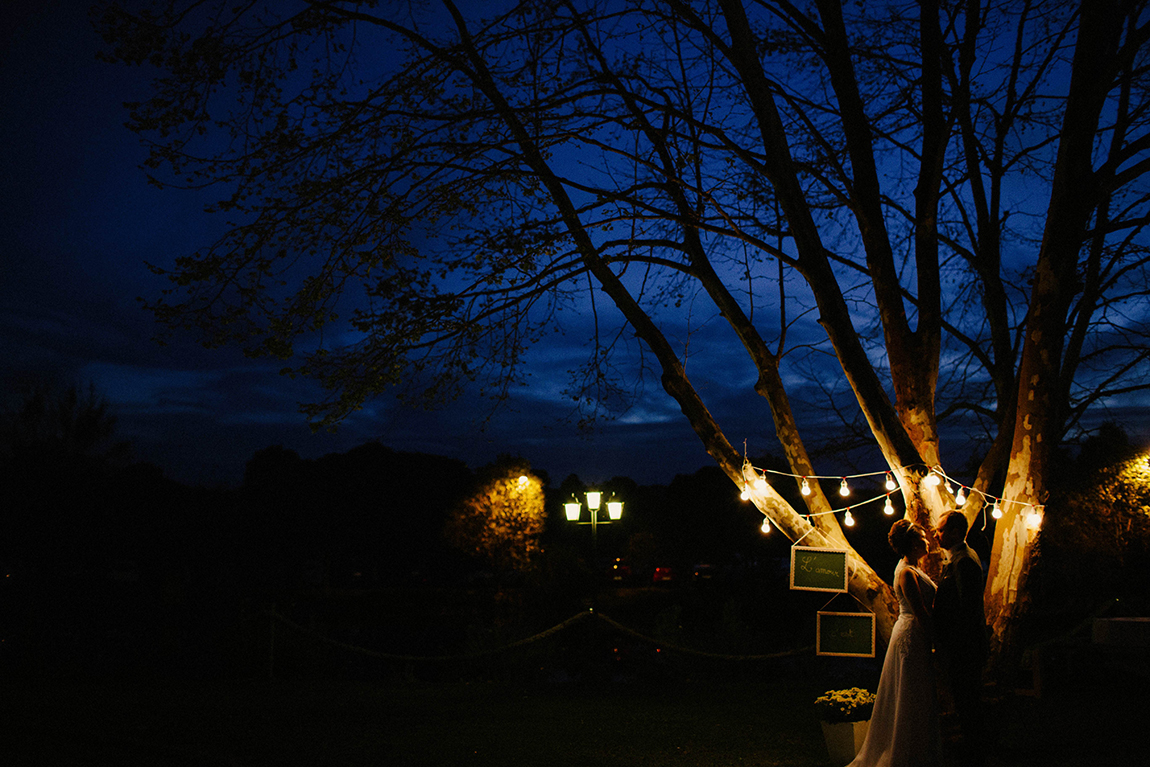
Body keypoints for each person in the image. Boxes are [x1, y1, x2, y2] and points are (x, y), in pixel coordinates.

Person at [848, 519, 942, 767]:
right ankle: (904, 753)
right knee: (910, 693)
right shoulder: (907, 573)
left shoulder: (913, 568)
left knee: (916, 693)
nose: (927, 541)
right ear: (912, 543)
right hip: (912, 635)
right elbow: (920, 612)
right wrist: (937, 642)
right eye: (922, 537)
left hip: (913, 632)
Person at [933, 511, 988, 766]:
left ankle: (975, 752)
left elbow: (968, 608)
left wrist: (952, 642)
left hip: (964, 646)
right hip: (962, 644)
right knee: (966, 699)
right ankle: (973, 747)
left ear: (955, 532)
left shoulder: (964, 561)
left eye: (941, 530)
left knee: (968, 700)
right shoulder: (958, 557)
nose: (936, 534)